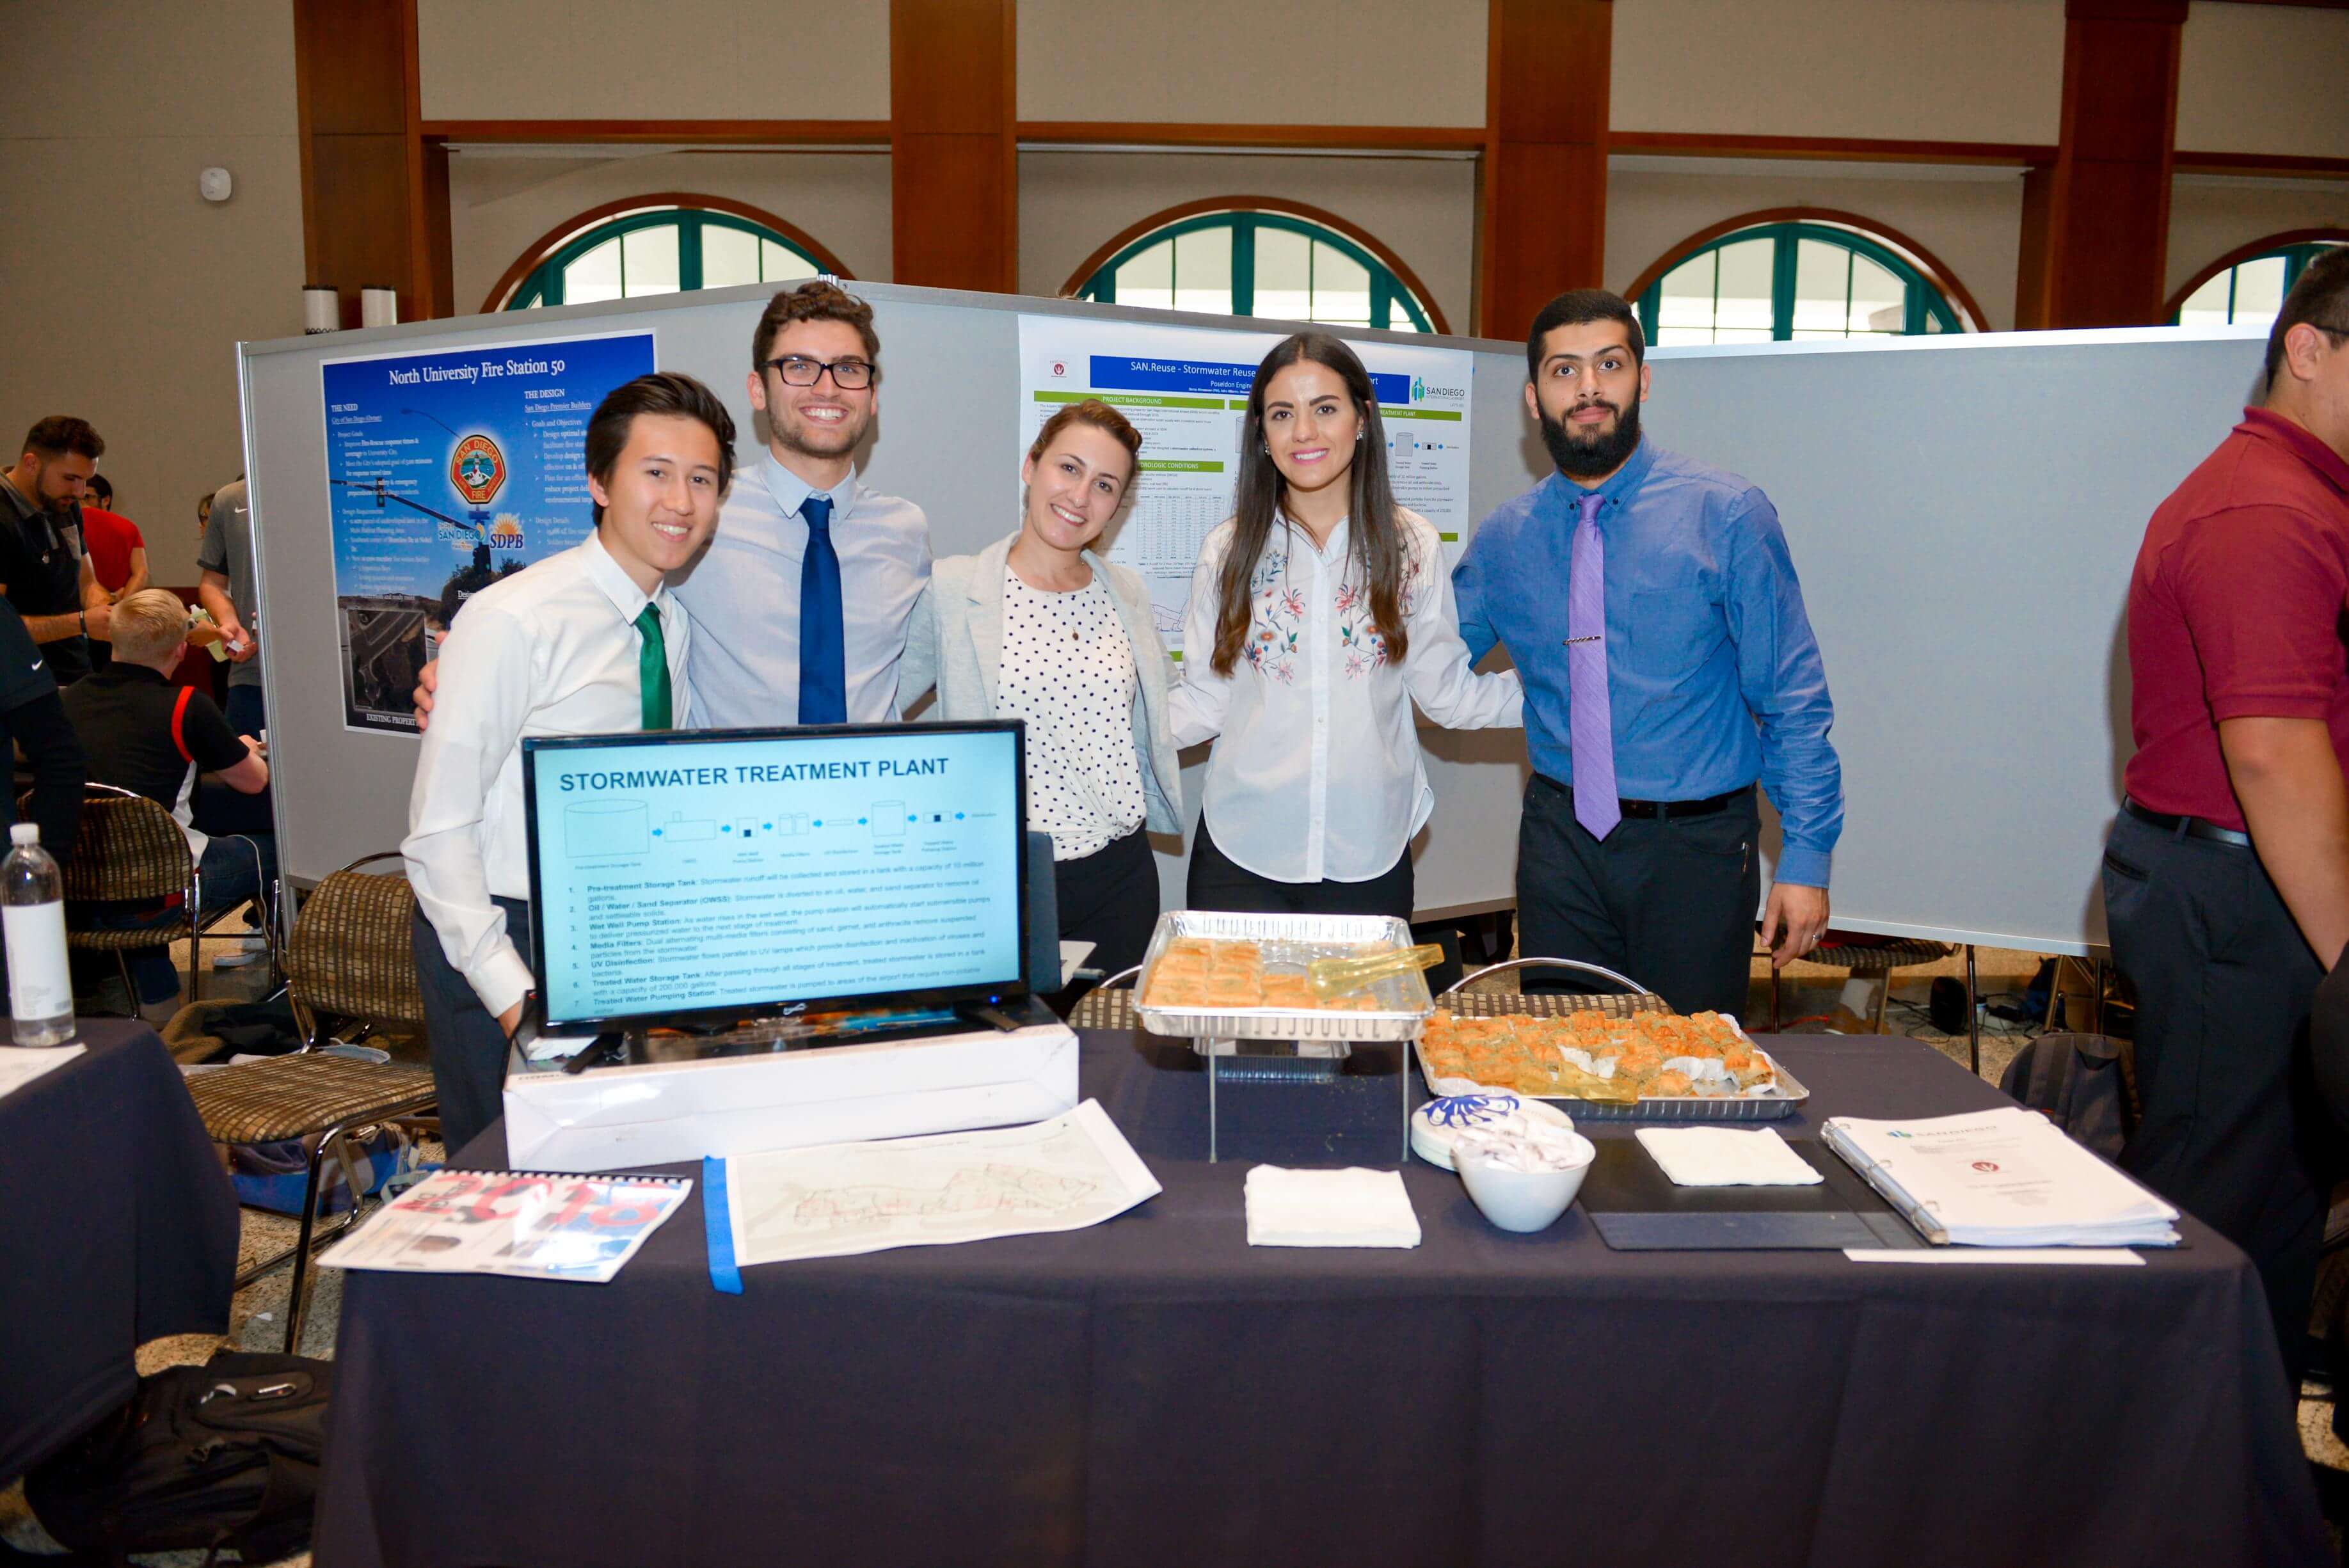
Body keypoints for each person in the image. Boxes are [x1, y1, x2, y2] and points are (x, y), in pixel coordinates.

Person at [1452, 290, 1840, 1019]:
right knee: (1560, 1069)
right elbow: (1422, 653)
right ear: (1533, 400)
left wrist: (1806, 856)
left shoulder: (1725, 514)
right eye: (1564, 371)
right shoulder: (1505, 539)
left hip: (1694, 851)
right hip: (1559, 845)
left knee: (1688, 1081)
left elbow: (1790, 699)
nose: (1589, 387)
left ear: (1642, 379)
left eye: (1609, 364)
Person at [2103, 245, 2349, 1379]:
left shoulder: (2303, 496)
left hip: (2257, 886)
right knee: (2218, 1210)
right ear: (2307, 350)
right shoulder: (2265, 508)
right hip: (2246, 897)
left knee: (2278, 1202)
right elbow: (2273, 757)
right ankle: (2153, 1481)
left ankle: (2243, 1468)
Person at [404, 372, 734, 1155]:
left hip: (616, 932)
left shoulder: (668, 624)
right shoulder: (513, 618)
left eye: (702, 480)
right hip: (504, 934)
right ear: (598, 481)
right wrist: (514, 997)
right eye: (655, 473)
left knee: (618, 1170)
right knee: (507, 1191)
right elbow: (437, 832)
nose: (680, 502)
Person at [414, 281, 933, 731]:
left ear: (872, 394)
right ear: (758, 388)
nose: (825, 386)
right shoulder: (698, 512)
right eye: (798, 366)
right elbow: (593, 596)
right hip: (726, 818)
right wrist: (471, 665)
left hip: (869, 814)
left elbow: (899, 671)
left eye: (847, 368)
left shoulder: (905, 531)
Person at [1168, 333, 1521, 923]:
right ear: (1261, 434)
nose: (1303, 432)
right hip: (1242, 851)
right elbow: (1205, 700)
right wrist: (1099, 730)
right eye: (1282, 414)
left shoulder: (1411, 545)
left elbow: (1447, 694)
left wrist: (1571, 692)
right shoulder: (1228, 550)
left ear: (1361, 419)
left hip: (1369, 855)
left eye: (1324, 408)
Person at [899, 399, 1181, 1001]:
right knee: (1018, 1062)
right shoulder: (955, 587)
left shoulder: (1125, 591)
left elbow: (1152, 716)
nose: (1080, 496)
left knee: (1113, 1067)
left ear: (1116, 505)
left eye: (1104, 485)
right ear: (1031, 467)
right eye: (1068, 468)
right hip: (1013, 879)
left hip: (1122, 876)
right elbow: (882, 702)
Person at [60, 589, 270, 1026]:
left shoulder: (66, 702)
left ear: (112, 639)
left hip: (83, 884)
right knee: (275, 849)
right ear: (180, 648)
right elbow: (255, 781)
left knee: (138, 861)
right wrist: (239, 747)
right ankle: (279, 991)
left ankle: (157, 997)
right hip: (166, 891)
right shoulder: (187, 706)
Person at [0, 416, 113, 685]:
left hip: (74, 673)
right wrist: (83, 623)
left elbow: (87, 584)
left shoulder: (65, 505)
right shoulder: (3, 518)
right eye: (70, 478)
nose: (80, 492)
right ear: (31, 463)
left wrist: (109, 613)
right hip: (17, 685)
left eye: (86, 480)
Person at [196, 474, 265, 738]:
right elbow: (212, 584)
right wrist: (230, 622)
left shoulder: (330, 484)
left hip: (323, 676)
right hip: (250, 674)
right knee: (246, 774)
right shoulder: (230, 499)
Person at [78, 473, 148, 601]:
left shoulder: (65, 526)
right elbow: (141, 573)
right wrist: (122, 604)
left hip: (77, 608)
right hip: (117, 607)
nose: (81, 502)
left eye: (87, 497)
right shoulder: (129, 527)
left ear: (106, 500)